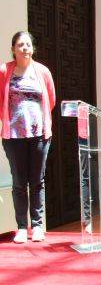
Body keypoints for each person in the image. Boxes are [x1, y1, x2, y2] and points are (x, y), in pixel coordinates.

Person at [0, 31, 56, 244]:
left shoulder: (42, 72)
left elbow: (50, 99)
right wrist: (13, 120)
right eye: (20, 45)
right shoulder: (5, 71)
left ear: (33, 48)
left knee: (37, 181)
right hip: (13, 136)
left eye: (27, 44)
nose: (24, 48)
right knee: (19, 183)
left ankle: (38, 225)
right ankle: (22, 227)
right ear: (13, 49)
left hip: (39, 135)